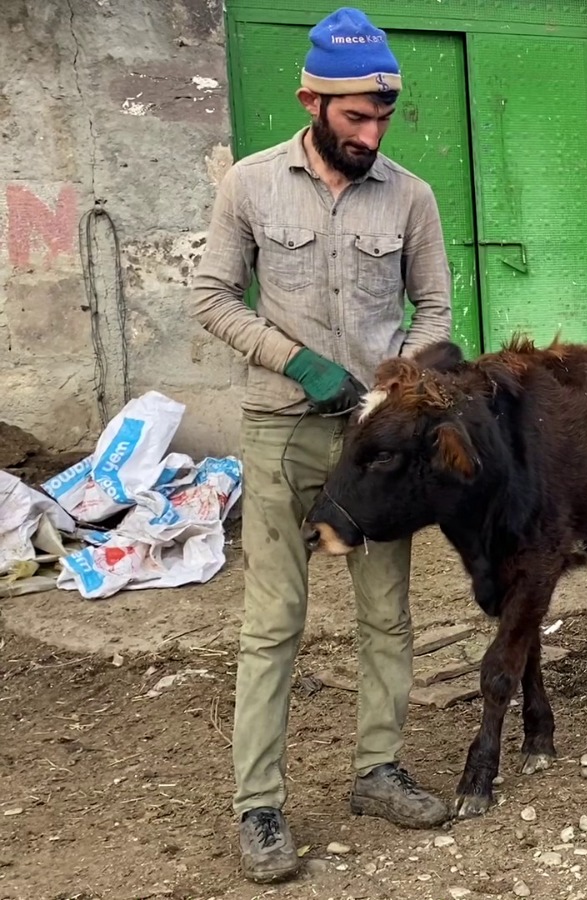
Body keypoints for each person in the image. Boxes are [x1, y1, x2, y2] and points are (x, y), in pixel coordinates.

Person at [191, 6, 454, 884]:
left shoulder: (411, 195)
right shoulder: (252, 187)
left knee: (387, 613)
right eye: (354, 117)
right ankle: (258, 807)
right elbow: (212, 296)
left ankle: (377, 770)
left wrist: (394, 387)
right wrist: (295, 359)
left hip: (374, 449)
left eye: (382, 116)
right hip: (281, 436)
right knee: (275, 624)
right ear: (311, 100)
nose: (371, 133)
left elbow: (439, 313)